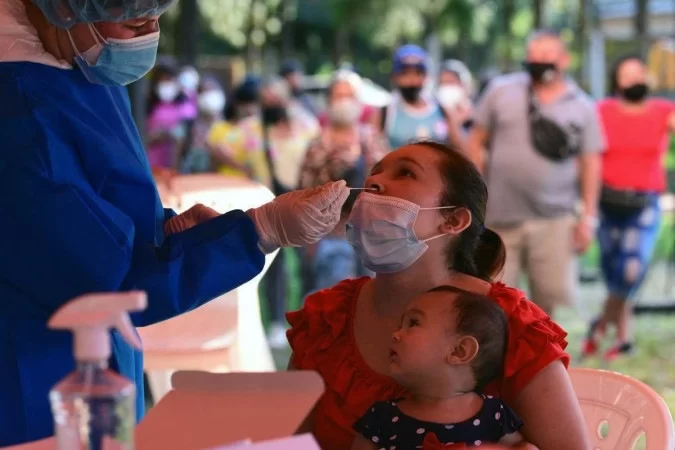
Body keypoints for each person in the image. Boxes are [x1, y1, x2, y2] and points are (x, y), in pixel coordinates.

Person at [0, 0, 350, 445]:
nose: (150, 31)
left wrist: (157, 228)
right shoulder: (19, 106)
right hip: (36, 386)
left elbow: (95, 199)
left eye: (158, 15)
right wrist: (259, 230)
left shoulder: (74, 59)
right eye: (134, 19)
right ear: (66, 7)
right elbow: (103, 282)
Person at [286, 141, 590, 450]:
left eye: (405, 173)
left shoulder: (514, 327)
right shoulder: (327, 319)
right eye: (372, 175)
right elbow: (285, 440)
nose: (372, 183)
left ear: (454, 220)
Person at [467, 30, 605, 316]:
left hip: (555, 221)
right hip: (500, 217)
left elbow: (591, 162)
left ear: (564, 60)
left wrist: (588, 218)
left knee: (548, 304)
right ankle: (499, 359)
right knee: (494, 300)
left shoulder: (582, 105)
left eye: (547, 56)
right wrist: (474, 195)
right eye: (533, 56)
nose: (539, 62)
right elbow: (476, 141)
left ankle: (542, 359)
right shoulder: (500, 90)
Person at [582, 55, 675, 360]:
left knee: (632, 270)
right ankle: (623, 337)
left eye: (639, 73)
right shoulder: (602, 111)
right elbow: (588, 155)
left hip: (643, 203)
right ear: (616, 81)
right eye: (627, 75)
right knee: (615, 273)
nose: (634, 79)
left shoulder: (664, 110)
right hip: (608, 202)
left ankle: (600, 326)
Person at [351, 286, 524, 449]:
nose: (395, 335)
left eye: (413, 323)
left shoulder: (494, 415)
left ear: (459, 351)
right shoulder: (382, 418)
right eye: (400, 326)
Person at [299, 71, 388, 291]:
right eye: (338, 95)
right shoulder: (317, 145)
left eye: (349, 95)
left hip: (369, 238)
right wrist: (311, 243)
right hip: (330, 238)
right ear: (329, 100)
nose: (343, 101)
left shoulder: (371, 139)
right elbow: (304, 194)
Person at [378, 45, 465, 150]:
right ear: (395, 77)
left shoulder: (441, 110)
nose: (412, 80)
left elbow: (459, 149)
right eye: (405, 74)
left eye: (418, 73)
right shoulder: (386, 112)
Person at [146, 60, 191, 170]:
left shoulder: (184, 105)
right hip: (150, 165)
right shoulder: (147, 105)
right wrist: (155, 137)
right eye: (163, 79)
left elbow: (186, 137)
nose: (167, 83)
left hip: (174, 167)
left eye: (170, 79)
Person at [180, 76, 227, 173]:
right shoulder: (189, 126)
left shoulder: (228, 126)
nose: (209, 96)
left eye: (212, 90)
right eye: (204, 92)